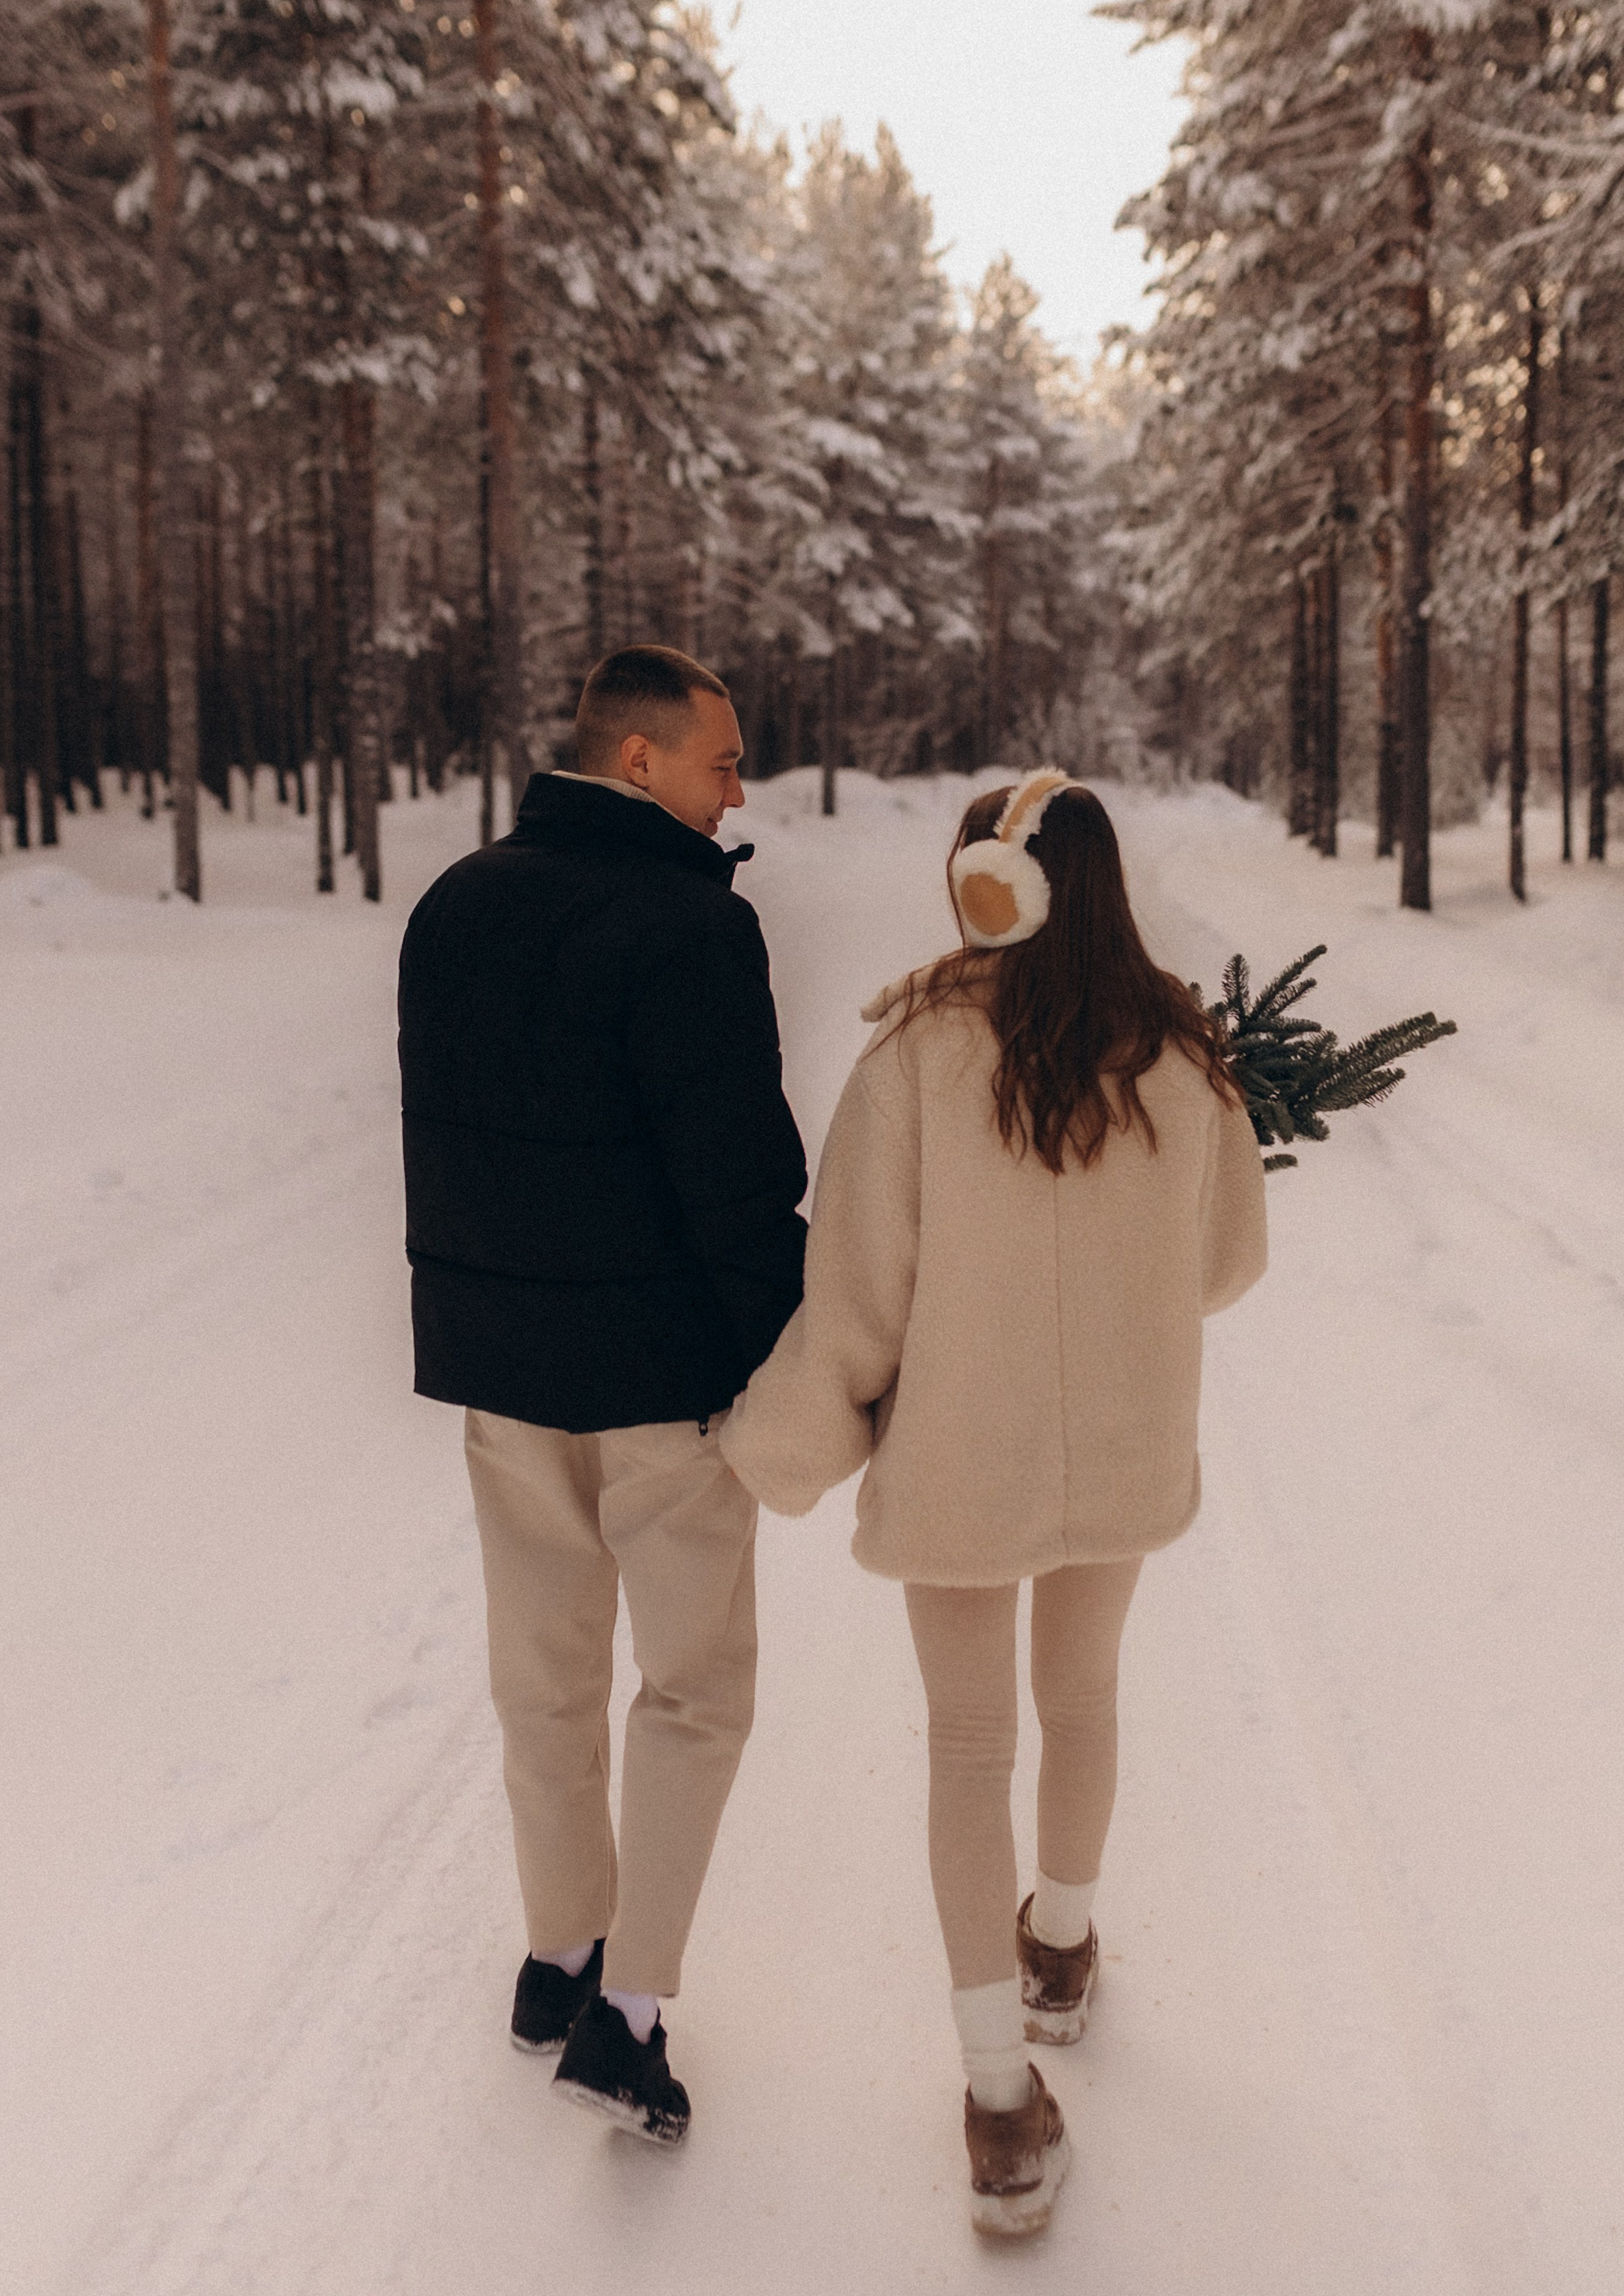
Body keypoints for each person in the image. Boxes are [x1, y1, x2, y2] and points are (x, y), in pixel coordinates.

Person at [721, 771, 1267, 2236]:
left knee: (967, 1746)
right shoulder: (1182, 1057)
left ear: (986, 889)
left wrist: (774, 1444)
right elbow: (1221, 1266)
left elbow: (856, 1297)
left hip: (961, 1452)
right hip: (1123, 1447)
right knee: (1079, 1700)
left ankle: (996, 2103)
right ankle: (1063, 1949)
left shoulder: (912, 1060)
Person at [397, 645, 808, 2145]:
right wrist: (789, 1369)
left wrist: (465, 1323)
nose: (737, 788)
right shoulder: (689, 928)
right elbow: (741, 1183)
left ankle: (553, 1953)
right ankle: (627, 2014)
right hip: (663, 1390)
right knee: (690, 1694)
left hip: (507, 1380)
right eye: (722, 760)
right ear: (638, 761)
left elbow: (439, 1141)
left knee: (543, 1678)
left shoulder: (454, 905)